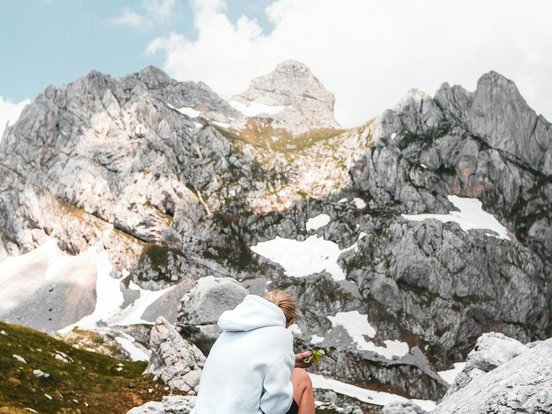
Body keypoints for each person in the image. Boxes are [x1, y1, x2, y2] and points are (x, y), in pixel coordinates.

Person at [193, 290, 315, 414]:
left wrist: (291, 361)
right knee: (301, 377)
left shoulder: (229, 330)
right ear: (290, 322)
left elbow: (246, 363)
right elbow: (276, 405)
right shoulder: (280, 335)